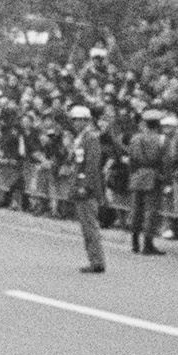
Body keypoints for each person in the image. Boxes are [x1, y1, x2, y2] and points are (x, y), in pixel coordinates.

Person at [67, 105, 108, 273]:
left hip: (86, 187)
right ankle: (93, 259)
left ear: (87, 120)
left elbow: (91, 165)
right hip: (79, 184)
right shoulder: (81, 138)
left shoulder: (90, 138)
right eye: (75, 120)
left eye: (80, 120)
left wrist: (85, 186)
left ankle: (97, 261)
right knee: (86, 226)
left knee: (90, 225)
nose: (76, 123)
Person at [128, 112, 173, 255]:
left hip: (137, 175)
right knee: (151, 212)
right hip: (154, 177)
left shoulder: (135, 138)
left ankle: (135, 242)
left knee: (136, 210)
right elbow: (166, 162)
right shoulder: (162, 139)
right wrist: (166, 178)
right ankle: (147, 244)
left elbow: (131, 158)